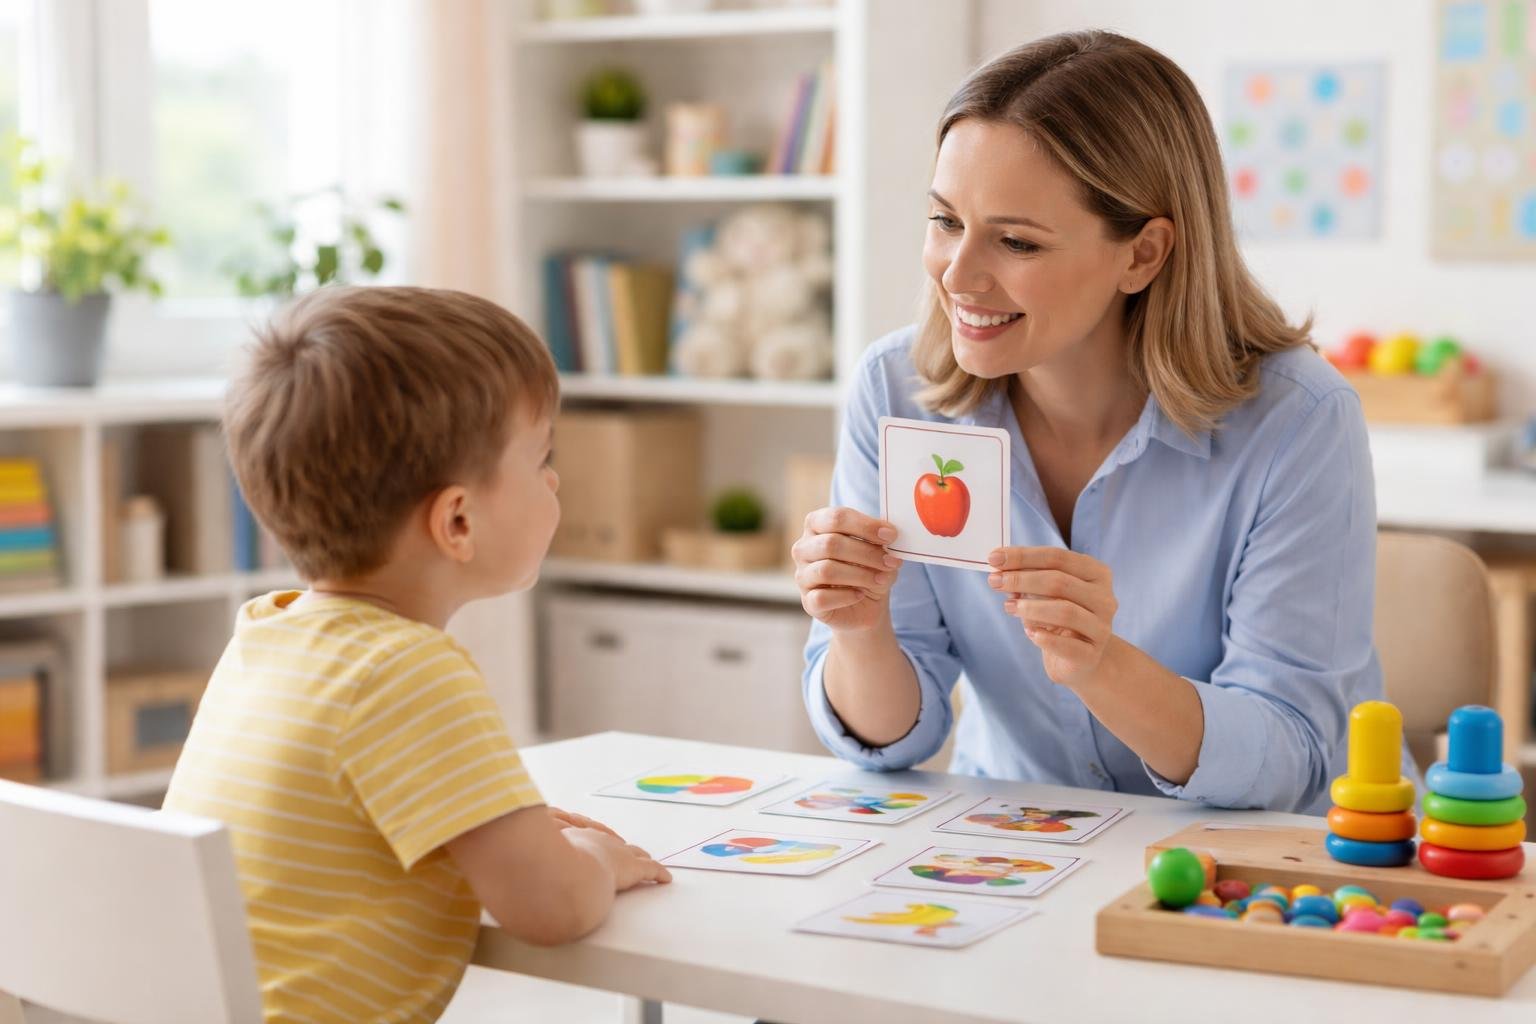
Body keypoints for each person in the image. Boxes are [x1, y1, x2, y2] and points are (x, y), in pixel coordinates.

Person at [794, 30, 1391, 815]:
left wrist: (1102, 665)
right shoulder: (896, 391)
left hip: (1259, 869)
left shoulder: (1297, 421)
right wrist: (860, 627)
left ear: (1143, 255)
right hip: (1023, 849)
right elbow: (894, 741)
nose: (958, 273)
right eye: (944, 221)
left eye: (1015, 241)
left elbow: (1291, 756)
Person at [164, 286, 670, 1023]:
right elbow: (551, 909)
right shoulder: (409, 672)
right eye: (540, 458)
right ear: (457, 520)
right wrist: (599, 861)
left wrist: (514, 830)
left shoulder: (266, 638)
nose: (555, 479)